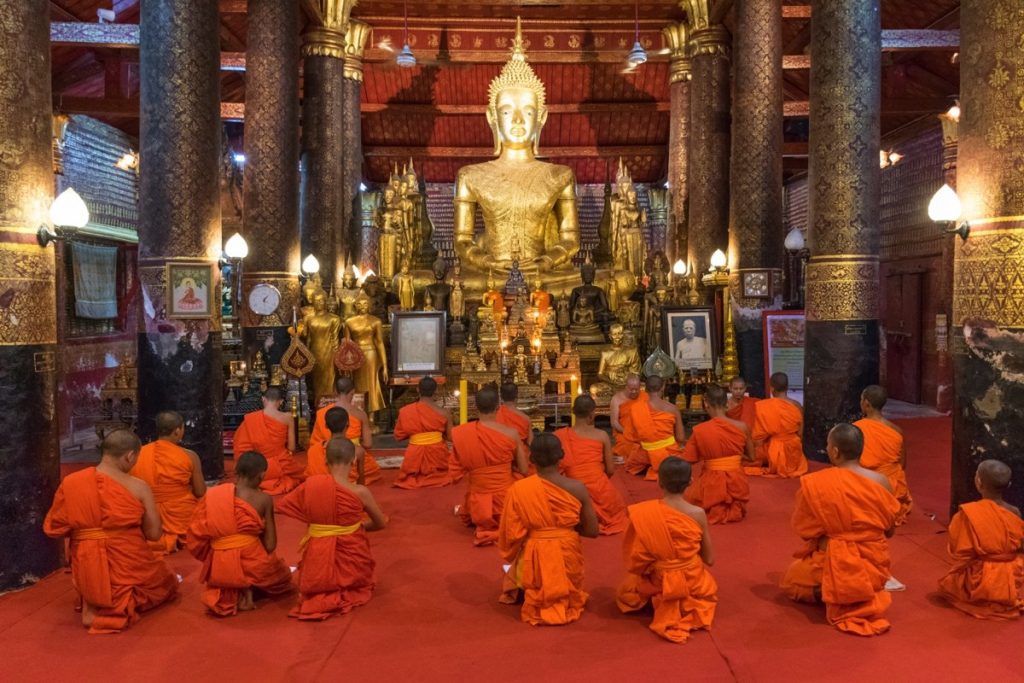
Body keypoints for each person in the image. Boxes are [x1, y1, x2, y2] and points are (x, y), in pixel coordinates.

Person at [43, 430, 178, 634]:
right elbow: (154, 534)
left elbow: (56, 526)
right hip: (128, 557)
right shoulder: (138, 487)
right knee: (166, 582)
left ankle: (93, 601)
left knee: (93, 561)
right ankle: (112, 605)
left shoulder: (72, 483)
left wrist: (89, 530)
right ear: (129, 456)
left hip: (86, 562)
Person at [780, 423, 899, 636]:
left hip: (833, 558)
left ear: (835, 451)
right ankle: (860, 591)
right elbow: (889, 531)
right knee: (864, 577)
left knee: (791, 581)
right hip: (873, 562)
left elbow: (804, 529)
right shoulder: (882, 482)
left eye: (828, 445)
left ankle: (832, 592)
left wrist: (835, 532)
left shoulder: (819, 483)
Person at [277, 439, 387, 620]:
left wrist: (322, 524)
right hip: (353, 559)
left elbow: (284, 505)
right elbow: (380, 523)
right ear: (353, 461)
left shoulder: (310, 487)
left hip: (317, 556)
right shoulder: (360, 492)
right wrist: (353, 528)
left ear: (325, 461)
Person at [498, 432, 599, 625]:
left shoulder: (519, 489)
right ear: (562, 455)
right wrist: (566, 529)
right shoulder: (577, 487)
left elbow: (511, 534)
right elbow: (593, 531)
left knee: (521, 554)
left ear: (531, 458)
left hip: (534, 553)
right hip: (567, 552)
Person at [617, 457, 717, 643]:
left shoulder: (645, 513)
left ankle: (658, 598)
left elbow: (637, 559)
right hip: (691, 580)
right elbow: (709, 559)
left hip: (658, 578)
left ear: (659, 481)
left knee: (627, 592)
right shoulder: (697, 513)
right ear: (690, 482)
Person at [186, 451, 293, 616]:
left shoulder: (213, 495)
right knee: (282, 577)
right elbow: (270, 545)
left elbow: (196, 534)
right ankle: (247, 586)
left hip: (219, 565)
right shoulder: (263, 499)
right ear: (262, 475)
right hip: (252, 562)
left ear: (235, 471)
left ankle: (235, 587)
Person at [938, 459, 1024, 620]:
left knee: (951, 583)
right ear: (1009, 484)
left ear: (978, 482)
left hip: (979, 579)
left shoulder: (969, 514)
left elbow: (959, 552)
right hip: (1010, 577)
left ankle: (982, 595)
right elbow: (1020, 546)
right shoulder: (1015, 512)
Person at [451, 386, 529, 546]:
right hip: (506, 504)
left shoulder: (461, 433)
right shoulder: (511, 433)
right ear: (498, 407)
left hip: (477, 505)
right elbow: (524, 469)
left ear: (475, 407)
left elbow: (456, 470)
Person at [130, 411, 205, 553]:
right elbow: (200, 491)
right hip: (181, 515)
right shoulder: (189, 456)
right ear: (177, 431)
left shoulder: (139, 454)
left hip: (147, 515)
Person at [554, 396, 628, 535]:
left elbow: (555, 470)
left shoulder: (559, 435)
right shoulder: (601, 436)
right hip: (601, 491)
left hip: (571, 493)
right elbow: (610, 470)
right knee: (617, 511)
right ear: (592, 414)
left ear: (573, 412)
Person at [681, 384, 754, 525]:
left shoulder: (700, 430)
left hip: (711, 484)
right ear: (726, 404)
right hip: (737, 482)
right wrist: (732, 458)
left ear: (706, 404)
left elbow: (688, 459)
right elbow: (751, 457)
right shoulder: (742, 427)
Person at [854, 385, 912, 525]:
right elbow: (902, 464)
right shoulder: (897, 431)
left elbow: (849, 463)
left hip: (866, 485)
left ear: (866, 403)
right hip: (890, 487)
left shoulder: (856, 429)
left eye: (861, 400)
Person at [310, 377, 382, 485]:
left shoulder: (322, 413)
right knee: (372, 469)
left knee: (317, 461)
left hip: (328, 454)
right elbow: (368, 444)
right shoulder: (360, 414)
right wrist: (355, 444)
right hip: (351, 455)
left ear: (335, 391)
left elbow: (315, 441)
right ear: (352, 392)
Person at [232, 387, 304, 495]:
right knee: (302, 473)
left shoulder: (252, 419)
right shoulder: (288, 417)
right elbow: (292, 448)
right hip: (282, 464)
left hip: (258, 467)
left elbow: (241, 447)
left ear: (263, 399)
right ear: (281, 401)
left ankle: (262, 481)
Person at [393, 376, 454, 489]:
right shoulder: (444, 413)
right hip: (438, 456)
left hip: (414, 456)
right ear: (436, 391)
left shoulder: (405, 411)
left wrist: (417, 434)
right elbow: (451, 437)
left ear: (418, 390)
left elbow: (398, 435)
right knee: (446, 473)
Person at [626, 375, 686, 481]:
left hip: (644, 455)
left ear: (645, 388)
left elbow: (633, 437)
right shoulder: (672, 408)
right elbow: (680, 438)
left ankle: (651, 462)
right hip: (668, 454)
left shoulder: (635, 408)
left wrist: (651, 443)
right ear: (662, 387)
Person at [749, 372, 807, 478]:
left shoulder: (765, 406)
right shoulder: (797, 406)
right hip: (794, 453)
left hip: (774, 453)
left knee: (753, 450)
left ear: (771, 388)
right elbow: (800, 434)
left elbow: (758, 439)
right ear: (787, 387)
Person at [305, 407, 355, 478]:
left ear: (326, 425)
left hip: (319, 487)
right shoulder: (356, 451)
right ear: (348, 424)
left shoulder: (313, 451)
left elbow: (310, 477)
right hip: (345, 487)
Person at [611, 375, 647, 473]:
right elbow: (614, 422)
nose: (634, 392)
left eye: (636, 389)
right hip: (624, 432)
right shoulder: (617, 398)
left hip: (641, 431)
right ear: (626, 387)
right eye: (631, 389)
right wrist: (627, 432)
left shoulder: (645, 396)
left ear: (640, 387)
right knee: (627, 445)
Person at [496, 382, 534, 450]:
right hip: (520, 453)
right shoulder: (525, 418)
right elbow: (530, 443)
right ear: (517, 396)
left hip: (500, 453)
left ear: (501, 396)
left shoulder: (494, 416)